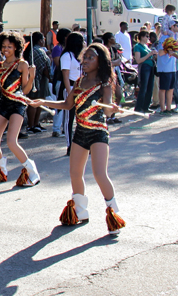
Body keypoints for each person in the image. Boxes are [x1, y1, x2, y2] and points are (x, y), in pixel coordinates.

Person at [29, 44, 125, 235]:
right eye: (85, 57)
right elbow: (67, 104)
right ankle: (80, 212)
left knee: (99, 174)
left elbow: (106, 110)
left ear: (100, 61)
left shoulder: (104, 84)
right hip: (80, 132)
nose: (86, 61)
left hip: (98, 132)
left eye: (91, 58)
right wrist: (43, 101)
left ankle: (113, 212)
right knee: (75, 173)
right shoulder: (79, 82)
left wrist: (112, 107)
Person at [0, 30, 40, 186]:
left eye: (9, 46)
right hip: (3, 104)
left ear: (16, 47)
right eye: (3, 46)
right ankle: (2, 169)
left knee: (12, 141)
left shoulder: (22, 65)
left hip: (18, 104)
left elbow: (25, 91)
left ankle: (31, 170)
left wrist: (31, 77)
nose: (6, 49)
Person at [59, 32, 84, 153]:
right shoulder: (66, 56)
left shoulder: (78, 56)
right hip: (70, 87)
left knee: (81, 117)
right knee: (69, 118)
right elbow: (65, 75)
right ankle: (69, 145)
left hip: (80, 87)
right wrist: (70, 92)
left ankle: (81, 144)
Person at [23, 32, 51, 133]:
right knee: (34, 102)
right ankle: (31, 125)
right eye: (43, 39)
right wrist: (50, 77)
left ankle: (36, 124)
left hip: (39, 79)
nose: (44, 41)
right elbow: (44, 67)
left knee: (39, 102)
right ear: (40, 40)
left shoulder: (34, 50)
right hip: (37, 79)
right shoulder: (37, 50)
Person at [156, 22, 178, 114]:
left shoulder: (175, 37)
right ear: (172, 27)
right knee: (163, 88)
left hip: (172, 68)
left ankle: (169, 108)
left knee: (171, 88)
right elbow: (160, 52)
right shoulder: (164, 38)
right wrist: (169, 49)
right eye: (177, 26)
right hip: (164, 68)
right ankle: (162, 109)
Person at [133, 30, 156, 113]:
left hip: (151, 67)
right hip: (144, 67)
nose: (148, 38)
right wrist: (149, 55)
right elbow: (138, 60)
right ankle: (138, 107)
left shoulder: (146, 46)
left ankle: (146, 106)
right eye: (146, 36)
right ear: (142, 37)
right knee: (143, 87)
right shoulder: (137, 46)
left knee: (150, 88)